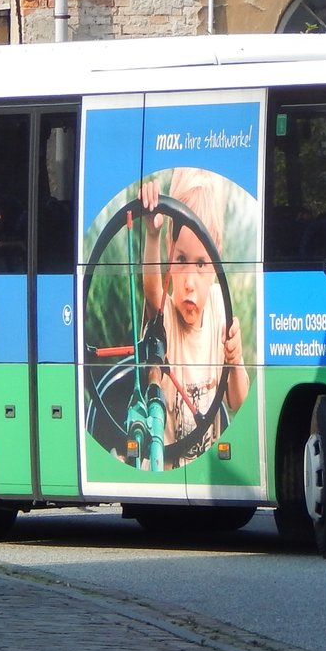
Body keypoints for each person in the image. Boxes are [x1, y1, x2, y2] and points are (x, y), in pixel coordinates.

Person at [139, 168, 248, 467]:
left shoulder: (218, 307)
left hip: (203, 471)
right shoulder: (165, 315)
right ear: (169, 254)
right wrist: (152, 233)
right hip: (165, 467)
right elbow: (151, 291)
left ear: (216, 263)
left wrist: (236, 361)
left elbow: (238, 402)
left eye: (201, 264)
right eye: (182, 260)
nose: (189, 281)